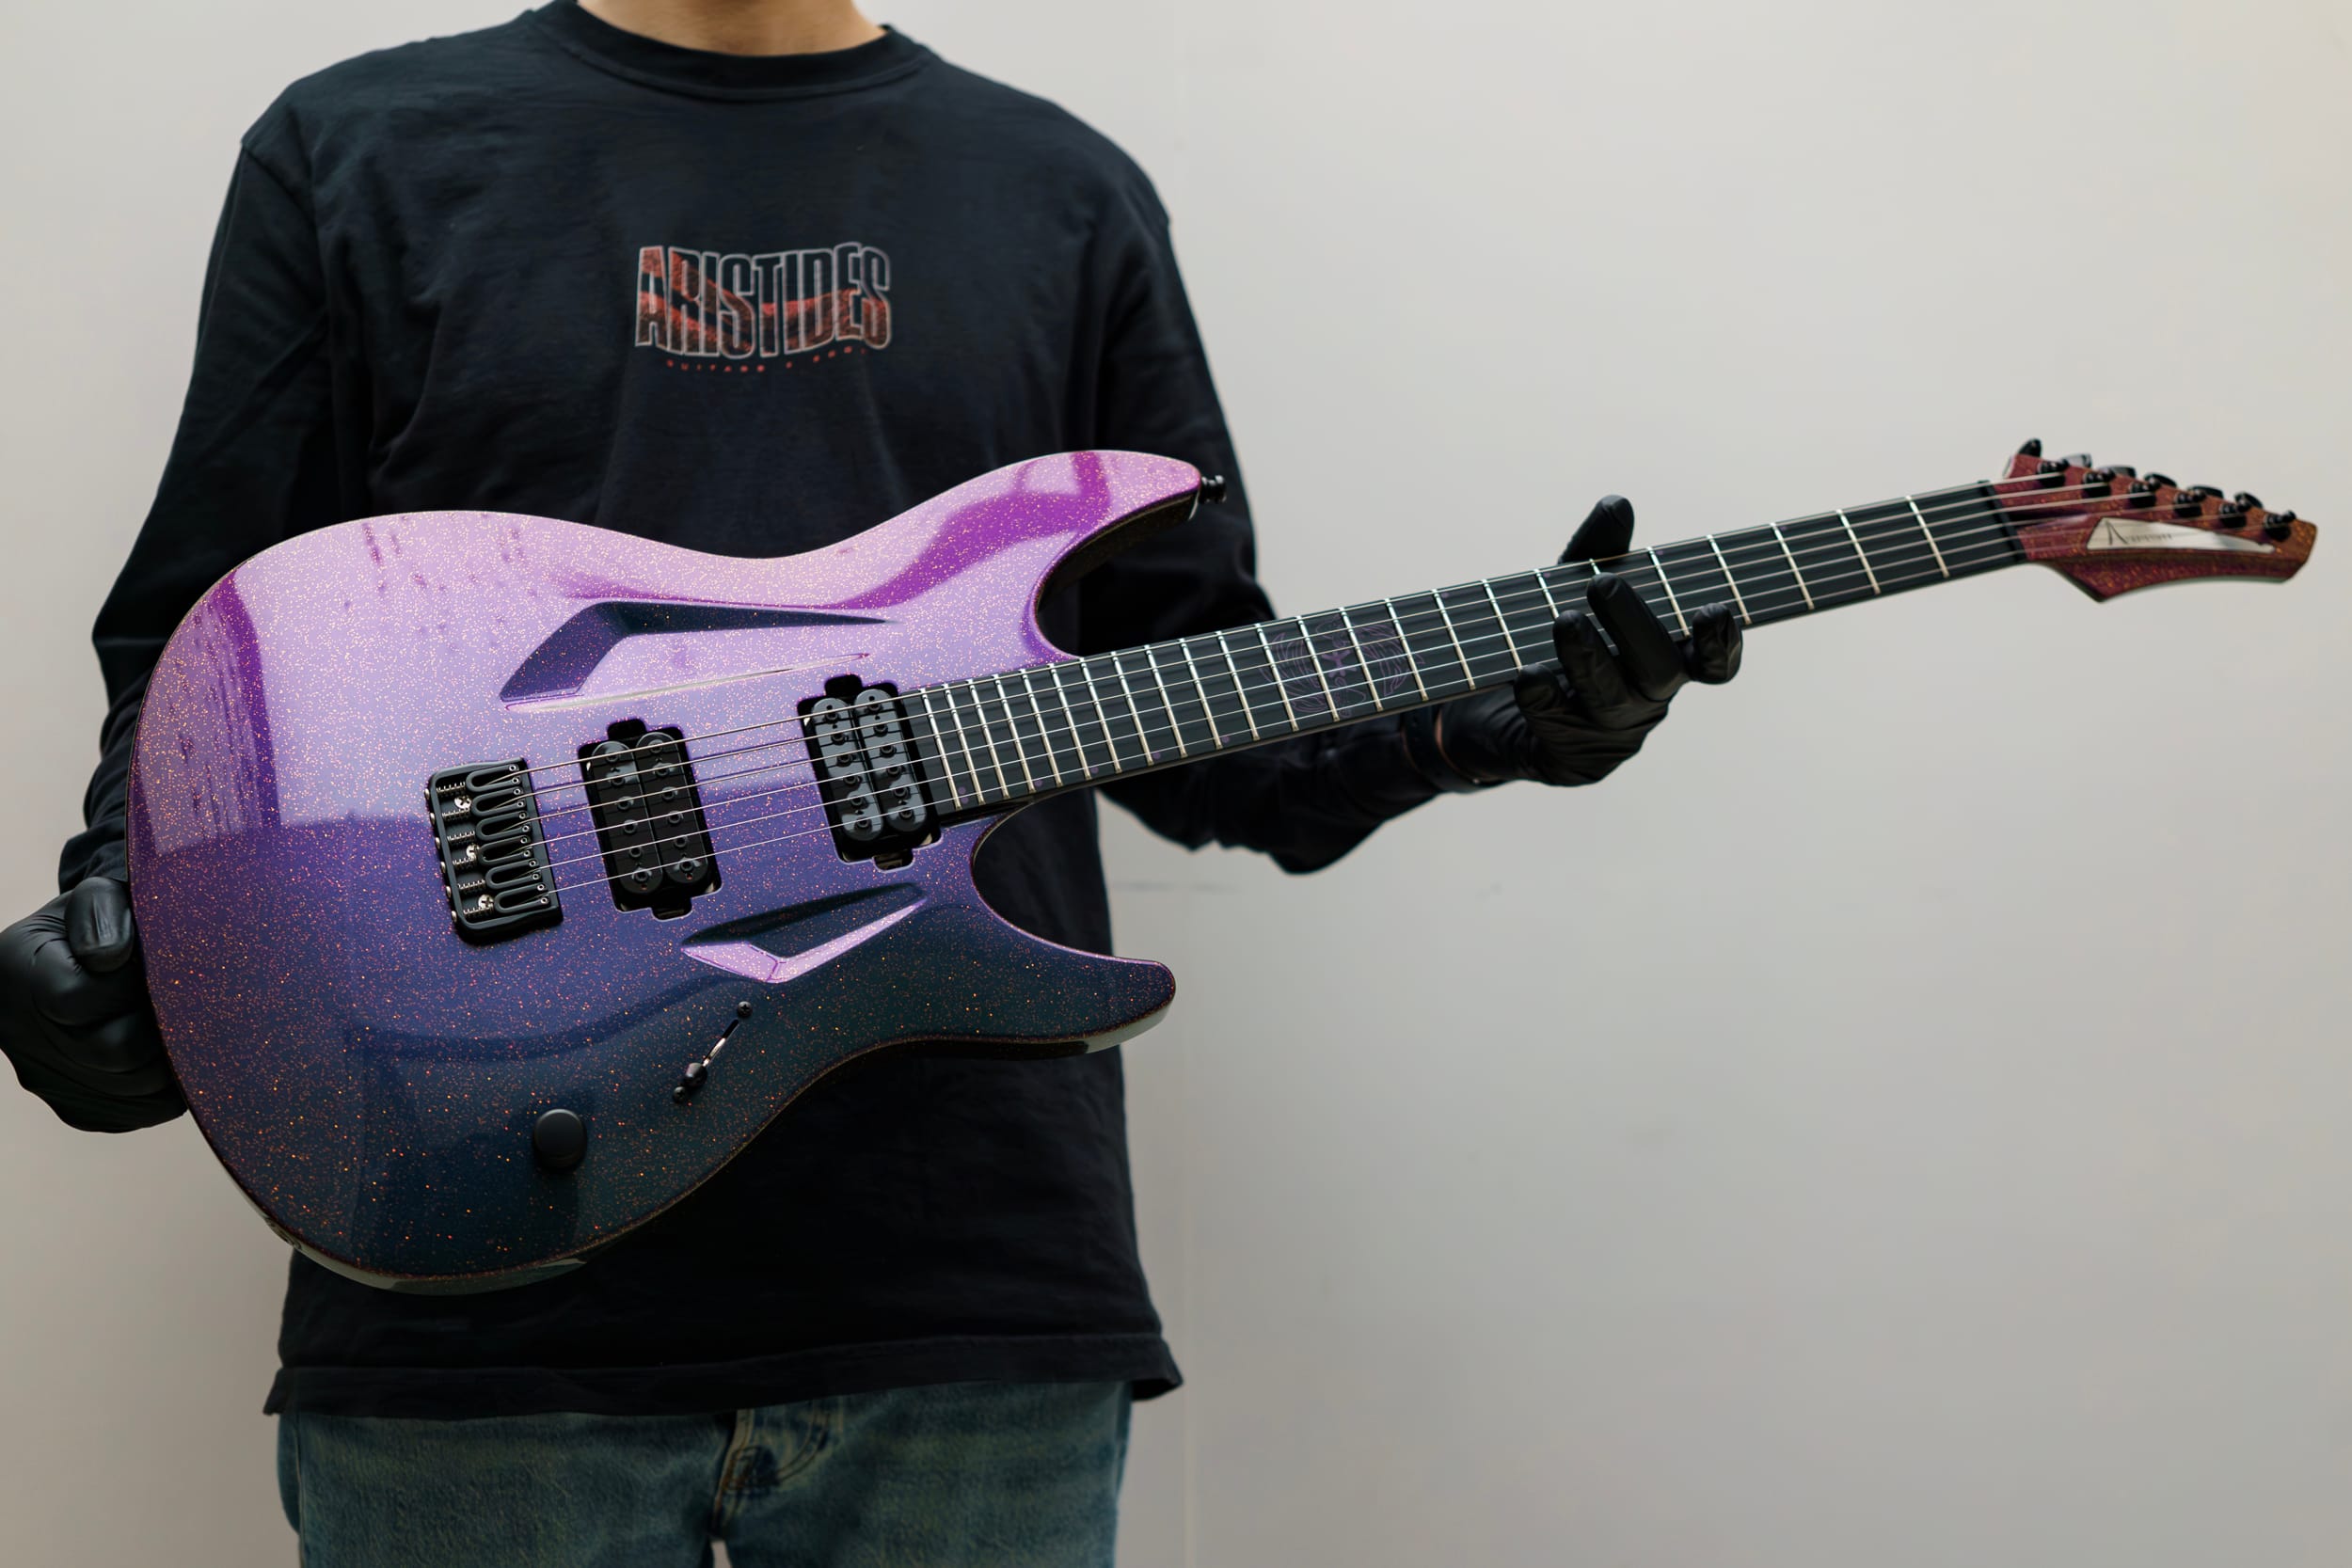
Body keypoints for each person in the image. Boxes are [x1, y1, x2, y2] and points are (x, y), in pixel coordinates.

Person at [0, 2, 1741, 1562]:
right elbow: (205, 646)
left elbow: (1214, 706)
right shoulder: (359, 150)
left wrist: (1485, 725)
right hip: (475, 1253)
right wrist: (126, 908)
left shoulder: (1063, 193)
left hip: (969, 1286)